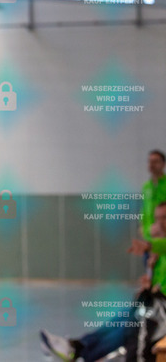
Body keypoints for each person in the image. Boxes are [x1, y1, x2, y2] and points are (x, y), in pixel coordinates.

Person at [41, 202, 166, 361]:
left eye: (164, 218)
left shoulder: (157, 246)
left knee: (131, 325)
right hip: (158, 302)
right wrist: (149, 283)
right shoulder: (157, 251)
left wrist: (149, 246)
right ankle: (77, 347)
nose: (159, 224)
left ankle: (81, 352)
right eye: (157, 219)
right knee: (125, 317)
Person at [141, 150, 166, 240]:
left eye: (155, 161)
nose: (152, 165)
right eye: (150, 161)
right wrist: (142, 226)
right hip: (149, 233)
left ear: (163, 164)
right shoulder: (146, 186)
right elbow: (144, 208)